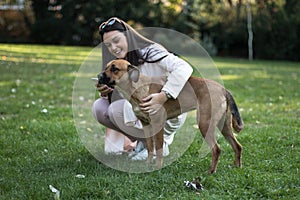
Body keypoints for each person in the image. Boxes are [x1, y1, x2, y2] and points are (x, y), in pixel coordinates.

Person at [92, 17, 193, 160]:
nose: (113, 47)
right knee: (100, 107)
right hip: (141, 111)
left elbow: (184, 67)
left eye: (116, 40)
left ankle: (158, 145)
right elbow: (128, 96)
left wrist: (164, 95)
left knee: (115, 110)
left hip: (168, 109)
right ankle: (145, 143)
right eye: (108, 45)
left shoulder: (151, 51)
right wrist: (107, 90)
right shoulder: (116, 65)